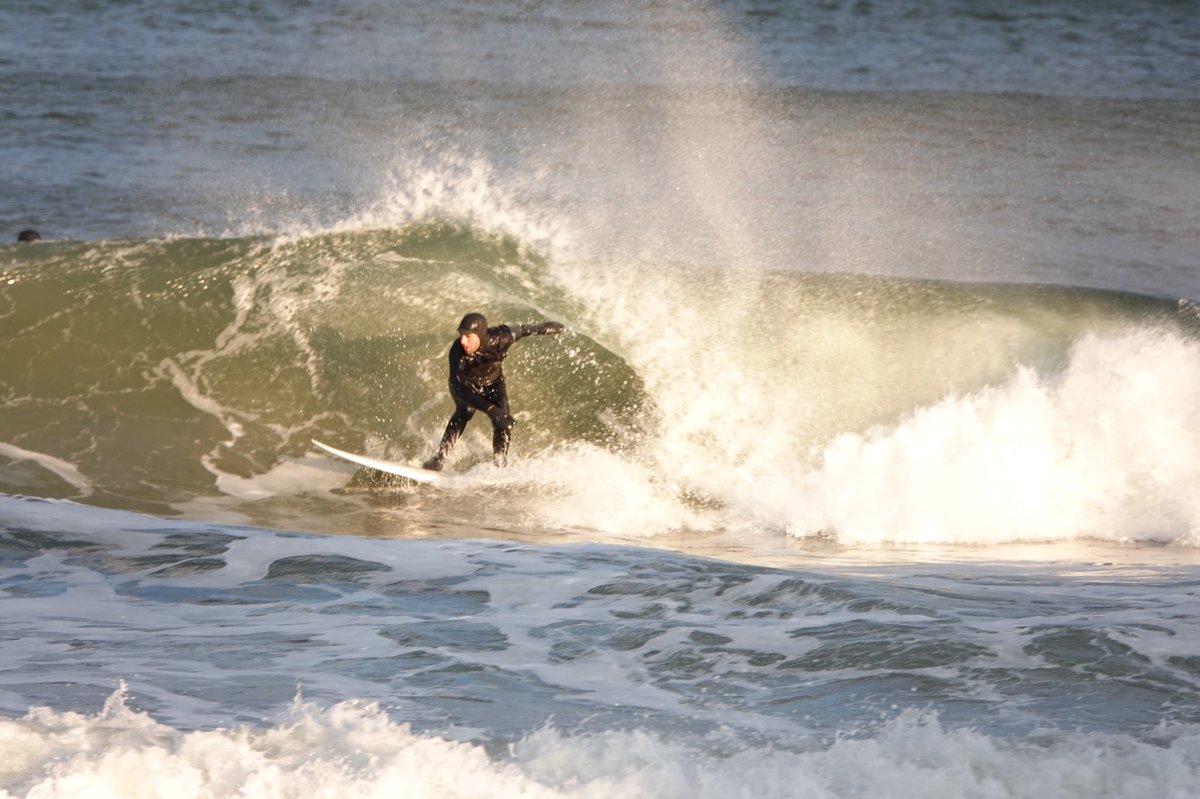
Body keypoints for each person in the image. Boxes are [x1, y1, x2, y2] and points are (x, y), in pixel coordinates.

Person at [423, 312, 565, 470]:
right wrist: (490, 409)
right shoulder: (457, 352)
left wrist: (546, 328)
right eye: (461, 335)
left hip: (494, 383)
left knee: (502, 420)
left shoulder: (501, 338)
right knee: (466, 409)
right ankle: (439, 457)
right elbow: (461, 390)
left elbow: (523, 329)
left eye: (468, 336)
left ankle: (500, 463)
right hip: (466, 386)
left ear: (480, 335)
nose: (463, 341)